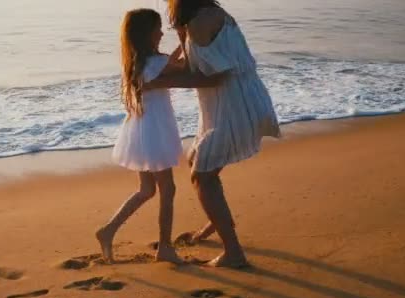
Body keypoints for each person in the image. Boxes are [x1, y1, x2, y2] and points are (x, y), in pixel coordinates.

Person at [147, 0, 281, 267]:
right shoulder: (202, 17)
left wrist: (160, 83)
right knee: (197, 158)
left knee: (203, 174)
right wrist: (155, 67)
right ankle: (218, 223)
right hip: (232, 100)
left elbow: (214, 76)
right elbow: (193, 64)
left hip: (233, 103)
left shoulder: (200, 22)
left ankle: (233, 253)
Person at [95, 8, 223, 264]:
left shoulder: (138, 62)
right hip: (155, 132)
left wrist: (180, 43)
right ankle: (164, 247)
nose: (161, 32)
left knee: (146, 190)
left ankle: (108, 231)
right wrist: (187, 41)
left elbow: (169, 64)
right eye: (157, 29)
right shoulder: (155, 63)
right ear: (147, 34)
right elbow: (185, 68)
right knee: (167, 189)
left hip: (141, 131)